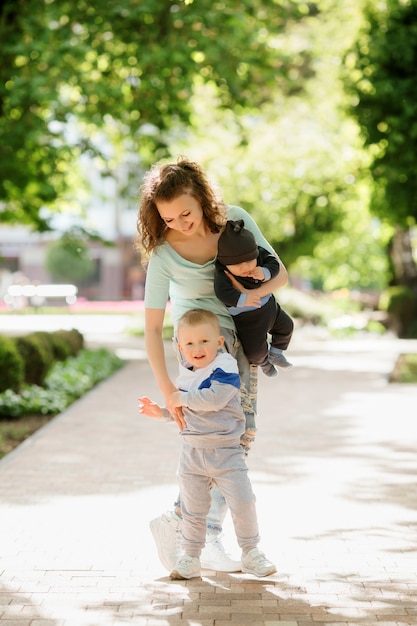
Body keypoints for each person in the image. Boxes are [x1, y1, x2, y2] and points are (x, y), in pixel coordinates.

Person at [136, 156, 288, 573]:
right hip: (198, 351)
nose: (181, 223)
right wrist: (168, 388)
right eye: (169, 218)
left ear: (201, 198)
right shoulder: (164, 255)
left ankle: (188, 523)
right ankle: (196, 529)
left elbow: (281, 275)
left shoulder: (235, 222)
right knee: (220, 440)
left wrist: (250, 295)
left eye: (186, 212)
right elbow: (151, 329)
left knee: (239, 438)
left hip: (238, 341)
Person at [138, 309, 277, 579]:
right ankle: (190, 557)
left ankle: (251, 552)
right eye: (189, 343)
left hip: (226, 455)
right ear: (180, 347)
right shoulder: (187, 376)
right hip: (192, 456)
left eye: (204, 341)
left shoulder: (225, 367)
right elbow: (188, 413)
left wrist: (179, 399)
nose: (197, 348)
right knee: (194, 510)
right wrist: (163, 413)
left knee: (243, 502)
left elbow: (213, 400)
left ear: (218, 342)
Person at [215, 219, 294, 378]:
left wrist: (265, 272)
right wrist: (243, 299)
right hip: (249, 318)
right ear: (226, 263)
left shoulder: (259, 255)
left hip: (270, 307)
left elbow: (274, 262)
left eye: (250, 260)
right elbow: (222, 292)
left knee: (287, 327)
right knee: (255, 352)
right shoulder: (222, 271)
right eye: (238, 264)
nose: (246, 267)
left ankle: (276, 354)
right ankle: (264, 363)